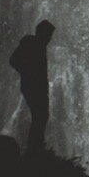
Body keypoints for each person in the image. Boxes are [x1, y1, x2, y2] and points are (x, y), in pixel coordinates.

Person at [9, 19, 55, 155]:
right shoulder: (31, 42)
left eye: (51, 36)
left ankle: (36, 147)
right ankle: (34, 149)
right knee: (40, 116)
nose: (50, 39)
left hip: (37, 87)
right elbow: (13, 60)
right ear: (42, 33)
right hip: (32, 86)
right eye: (49, 35)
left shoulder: (39, 45)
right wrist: (27, 72)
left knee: (40, 116)